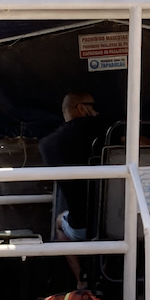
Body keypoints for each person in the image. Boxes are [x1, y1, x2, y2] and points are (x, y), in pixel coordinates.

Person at [40, 92, 105, 287]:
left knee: (60, 222)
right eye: (94, 106)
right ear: (82, 108)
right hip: (121, 221)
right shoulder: (106, 127)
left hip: (82, 225)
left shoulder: (47, 145)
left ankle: (81, 280)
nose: (97, 111)